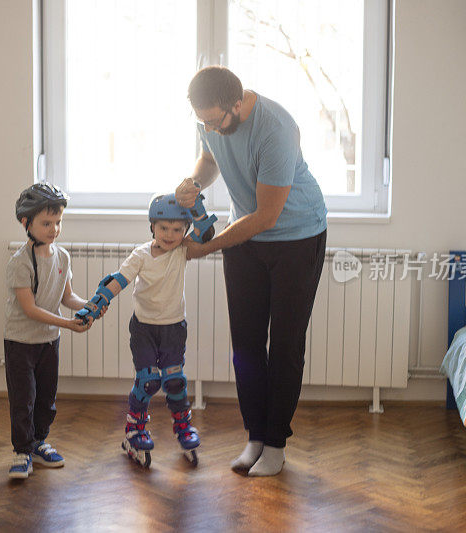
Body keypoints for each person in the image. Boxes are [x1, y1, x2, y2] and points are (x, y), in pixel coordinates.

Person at [176, 66, 328, 476]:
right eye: (202, 121)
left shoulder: (275, 129)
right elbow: (210, 157)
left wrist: (206, 247)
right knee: (245, 343)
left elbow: (266, 216)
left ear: (237, 103)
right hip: (246, 235)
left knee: (285, 344)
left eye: (214, 120)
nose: (208, 126)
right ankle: (255, 436)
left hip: (296, 237)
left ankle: (276, 444)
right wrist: (194, 182)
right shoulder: (212, 122)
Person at [76, 193, 202, 468]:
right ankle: (135, 430)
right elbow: (119, 280)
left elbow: (207, 232)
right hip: (144, 328)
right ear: (152, 227)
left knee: (175, 380)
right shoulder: (142, 255)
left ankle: (183, 426)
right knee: (147, 381)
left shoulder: (183, 250)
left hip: (173, 328)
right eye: (164, 228)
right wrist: (96, 303)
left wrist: (198, 206)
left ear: (185, 231)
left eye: (178, 229)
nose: (170, 234)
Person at [4, 182, 95, 479]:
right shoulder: (19, 262)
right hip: (20, 342)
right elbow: (30, 310)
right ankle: (22, 451)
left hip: (48, 342)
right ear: (25, 223)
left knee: (46, 398)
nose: (54, 229)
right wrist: (68, 324)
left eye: (58, 222)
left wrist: (90, 305)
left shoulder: (63, 257)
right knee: (24, 399)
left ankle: (39, 443)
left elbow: (68, 298)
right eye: (46, 223)